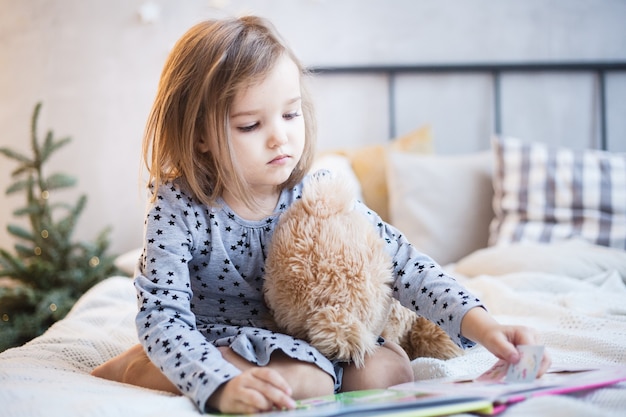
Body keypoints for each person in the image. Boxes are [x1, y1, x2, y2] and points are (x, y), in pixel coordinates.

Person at [91, 15, 550, 414]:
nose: (279, 139)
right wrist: (220, 385)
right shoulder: (179, 206)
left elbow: (405, 264)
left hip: (308, 339)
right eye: (251, 125)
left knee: (388, 371)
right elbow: (163, 316)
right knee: (308, 383)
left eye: (291, 115)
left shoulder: (313, 195)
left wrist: (485, 325)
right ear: (199, 137)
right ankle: (140, 365)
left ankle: (285, 372)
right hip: (218, 340)